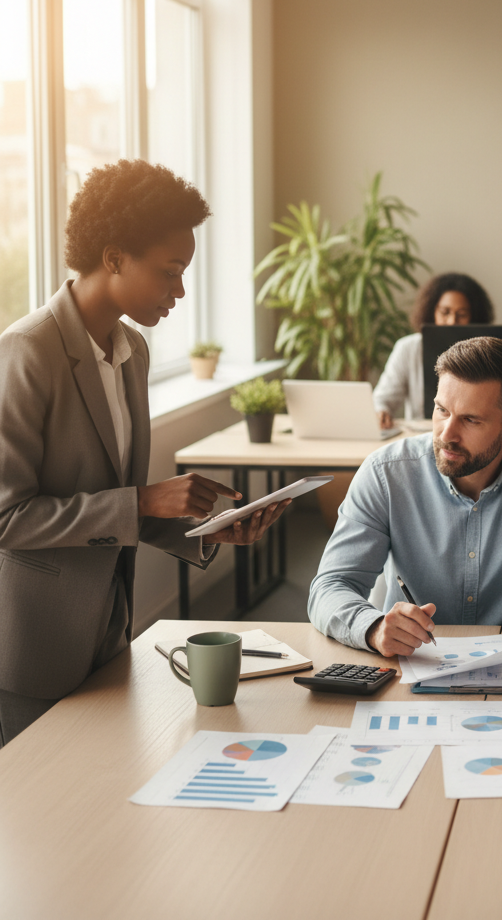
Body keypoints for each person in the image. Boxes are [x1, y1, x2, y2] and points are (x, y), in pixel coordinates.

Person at [0, 159, 288, 746]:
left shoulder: (132, 348)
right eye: (169, 271)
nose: (180, 290)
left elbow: (120, 508)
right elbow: (9, 517)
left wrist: (207, 531)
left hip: (109, 631)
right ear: (112, 258)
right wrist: (144, 499)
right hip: (35, 647)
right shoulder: (26, 354)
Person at [308, 336, 502, 676]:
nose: (446, 434)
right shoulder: (385, 472)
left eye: (470, 420)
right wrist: (373, 627)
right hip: (410, 669)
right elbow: (330, 587)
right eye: (442, 410)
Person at [374, 272, 494, 429]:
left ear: (474, 317)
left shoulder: (489, 351)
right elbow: (382, 399)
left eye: (462, 314)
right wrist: (380, 411)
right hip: (421, 434)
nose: (452, 322)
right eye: (445, 313)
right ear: (432, 312)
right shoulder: (409, 348)